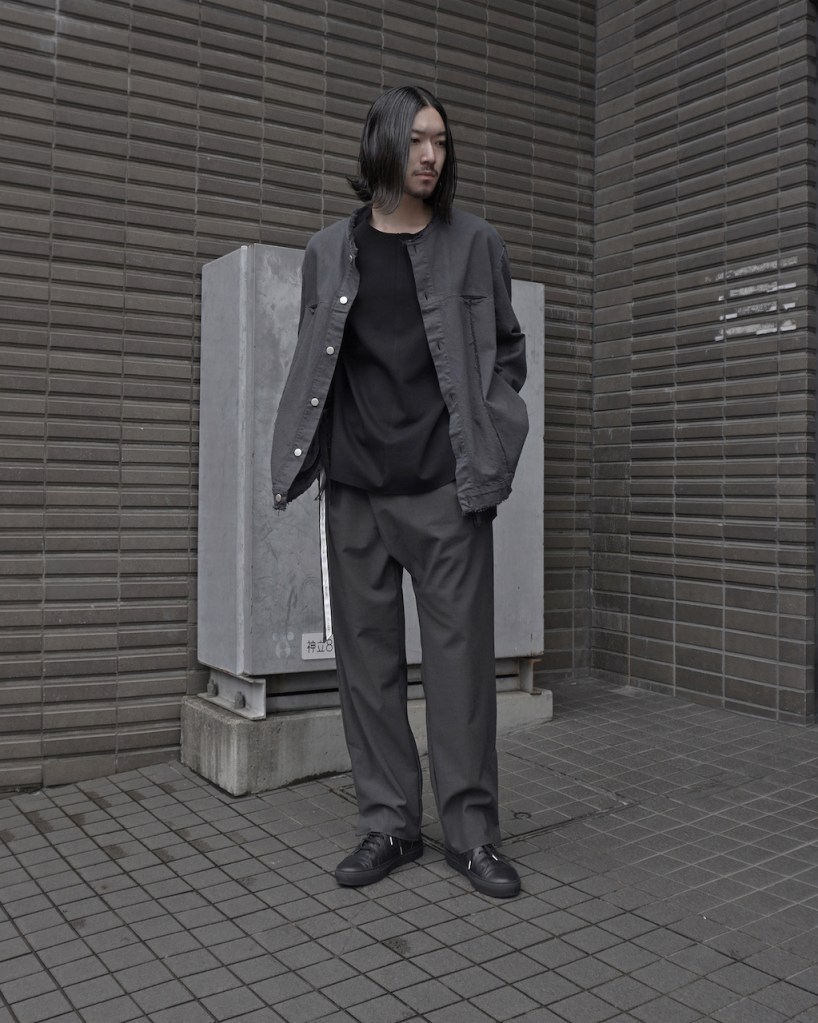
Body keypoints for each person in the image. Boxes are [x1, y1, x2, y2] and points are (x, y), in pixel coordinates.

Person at [270, 85, 528, 899]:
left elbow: (507, 356)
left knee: (461, 670)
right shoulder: (329, 250)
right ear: (382, 143)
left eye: (441, 142)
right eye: (418, 139)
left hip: (446, 491)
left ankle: (473, 836)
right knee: (366, 667)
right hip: (354, 492)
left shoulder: (475, 244)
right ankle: (388, 823)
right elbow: (317, 361)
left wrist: (491, 443)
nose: (431, 155)